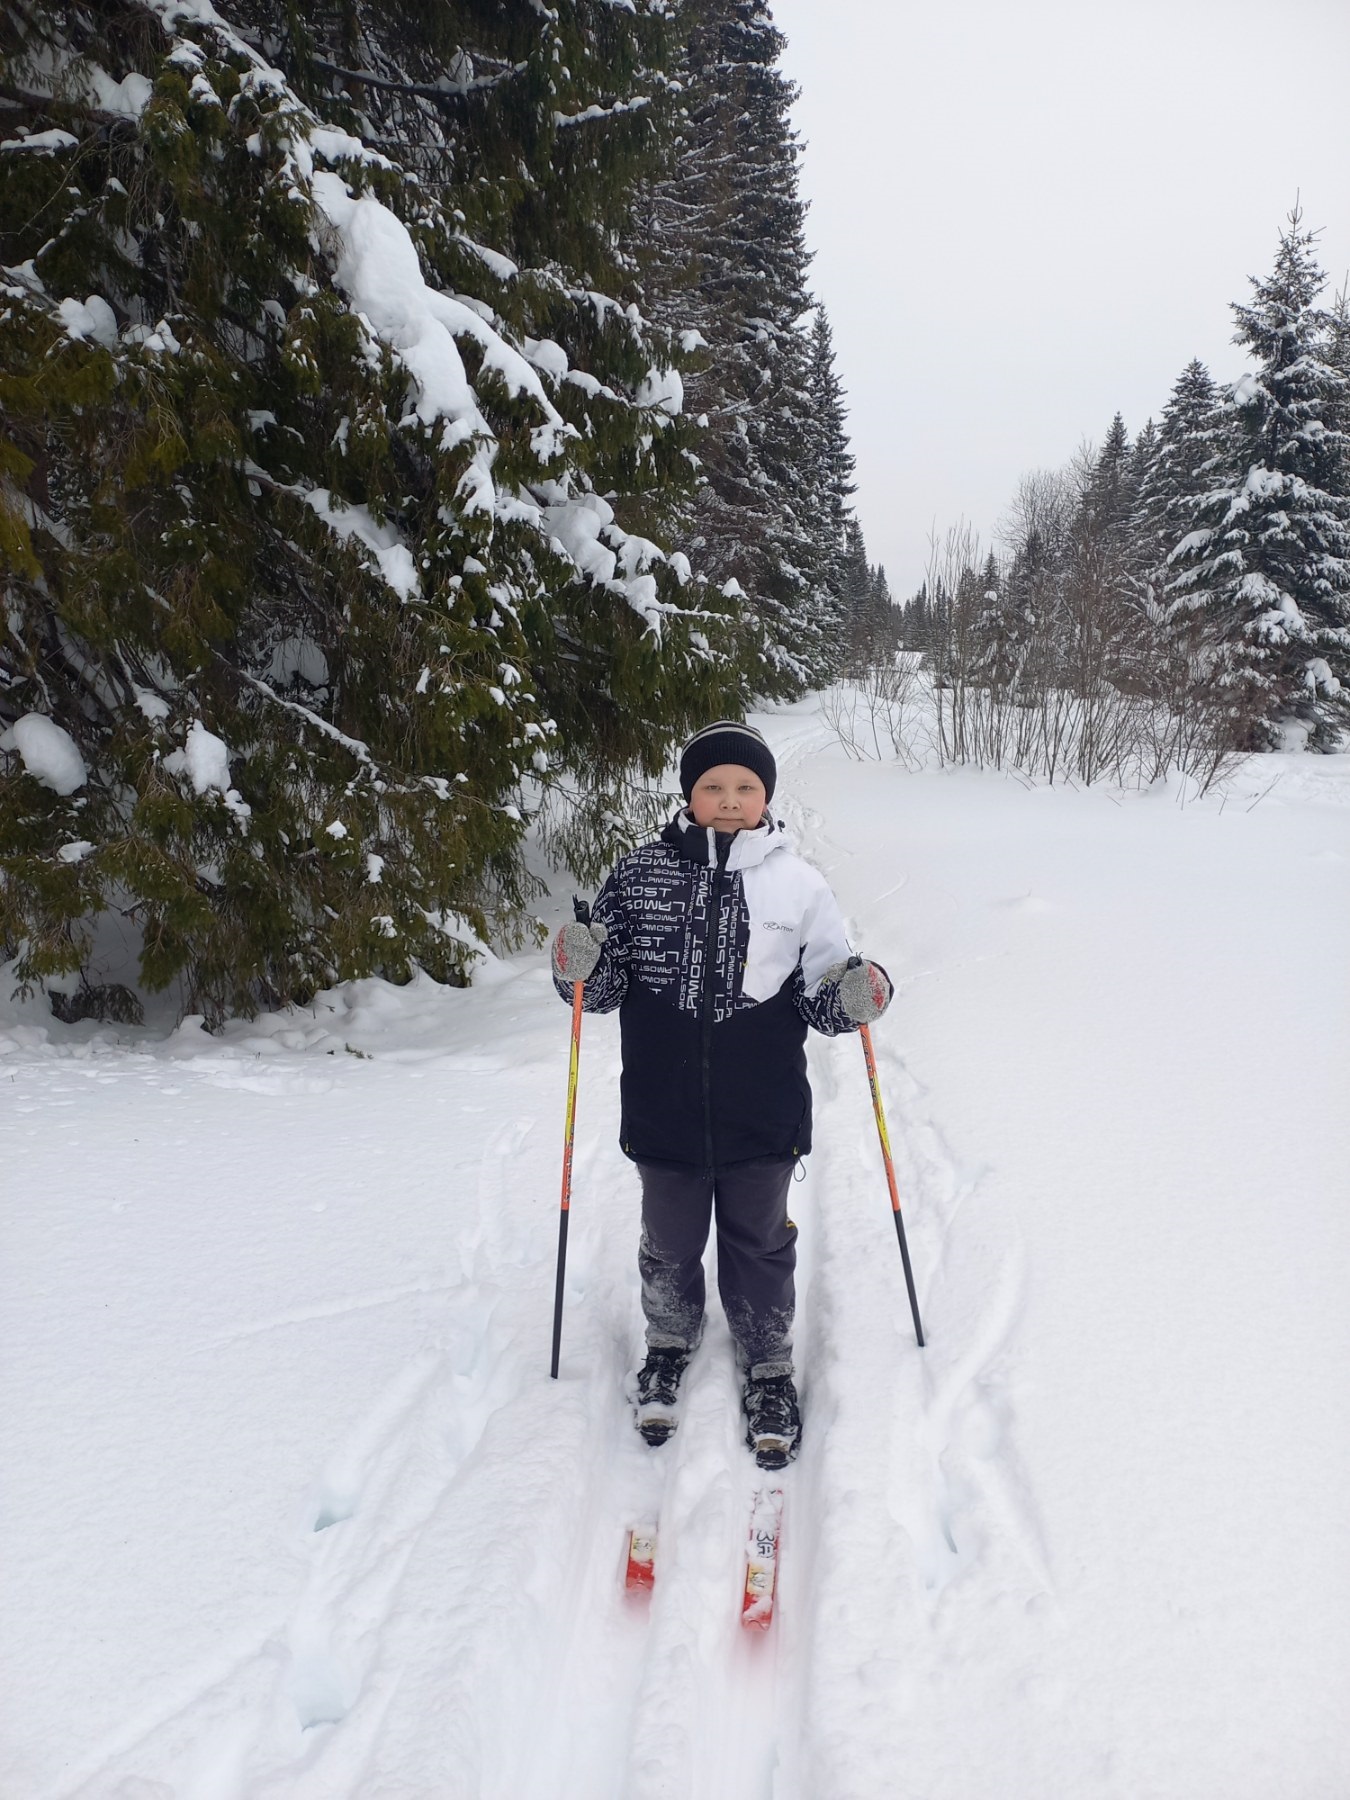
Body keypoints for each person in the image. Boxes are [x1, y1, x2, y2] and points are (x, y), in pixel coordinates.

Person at [550, 720, 891, 1470]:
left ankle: (768, 1360)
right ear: (689, 795)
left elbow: (823, 996)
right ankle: (669, 1341)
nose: (729, 800)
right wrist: (576, 963)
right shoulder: (637, 877)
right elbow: (599, 989)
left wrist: (860, 995)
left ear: (766, 796)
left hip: (760, 1110)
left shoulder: (799, 885)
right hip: (663, 1107)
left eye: (745, 787)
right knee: (668, 1240)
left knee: (759, 1241)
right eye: (713, 787)